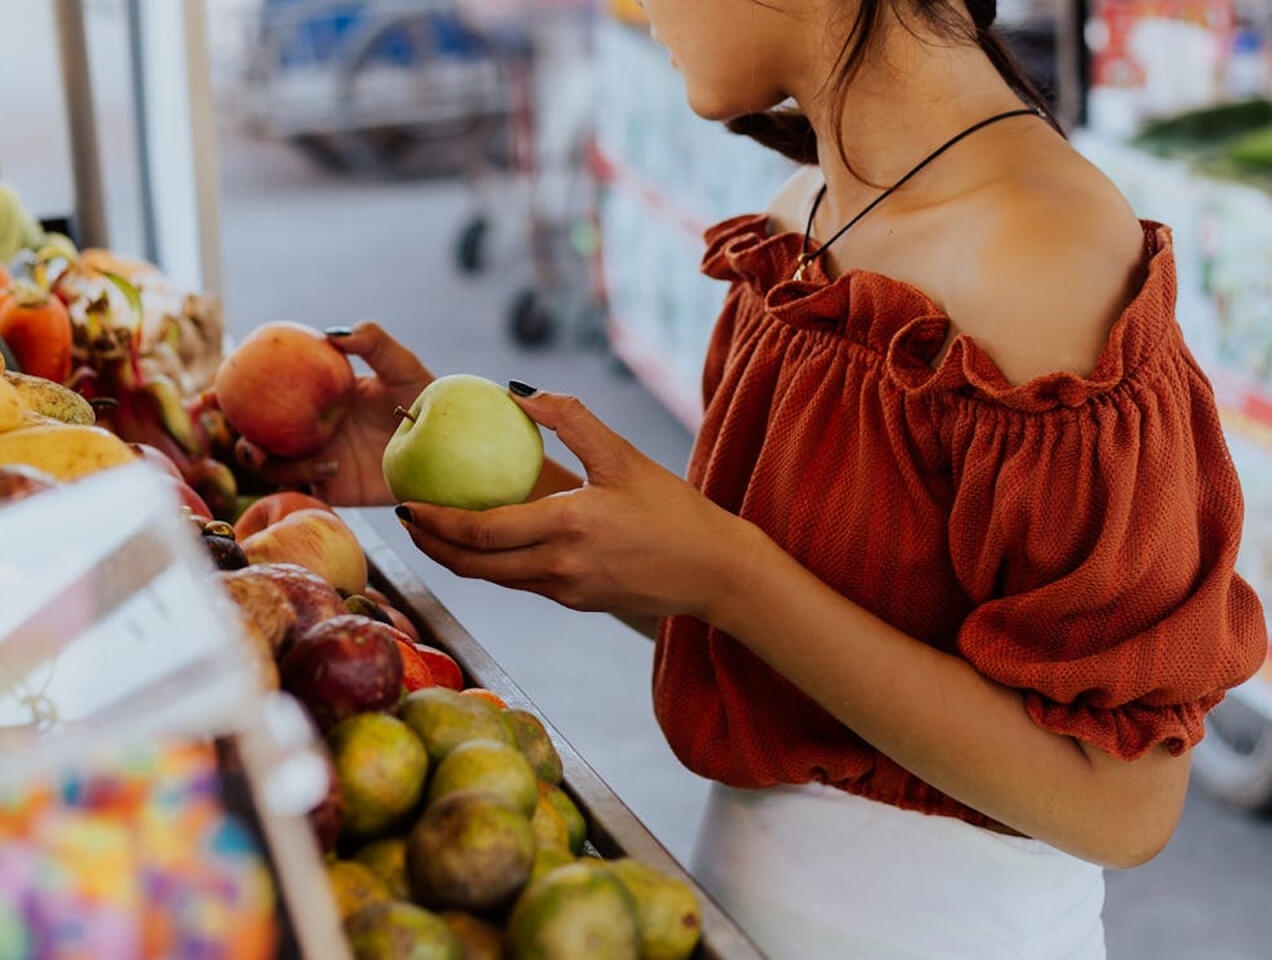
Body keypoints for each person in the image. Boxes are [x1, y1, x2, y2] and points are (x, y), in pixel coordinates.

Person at [241, 1, 1269, 956]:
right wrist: (532, 501)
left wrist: (727, 576)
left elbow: (1121, 806)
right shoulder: (802, 215)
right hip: (742, 906)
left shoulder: (1047, 258)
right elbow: (785, 628)